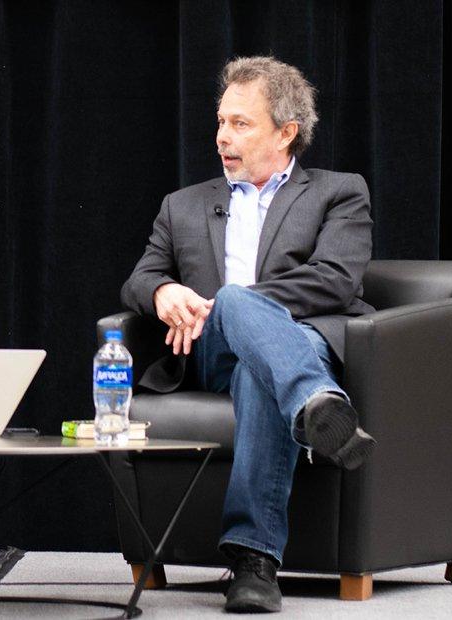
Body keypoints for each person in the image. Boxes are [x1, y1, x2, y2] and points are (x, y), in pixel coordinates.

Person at [120, 56, 378, 613]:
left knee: (259, 368)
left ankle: (252, 565)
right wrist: (164, 293)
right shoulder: (183, 205)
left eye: (241, 124)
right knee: (239, 313)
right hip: (210, 350)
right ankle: (316, 402)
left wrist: (238, 303)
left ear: (287, 132)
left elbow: (335, 280)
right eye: (220, 122)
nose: (222, 138)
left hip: (299, 341)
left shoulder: (338, 193)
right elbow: (140, 276)